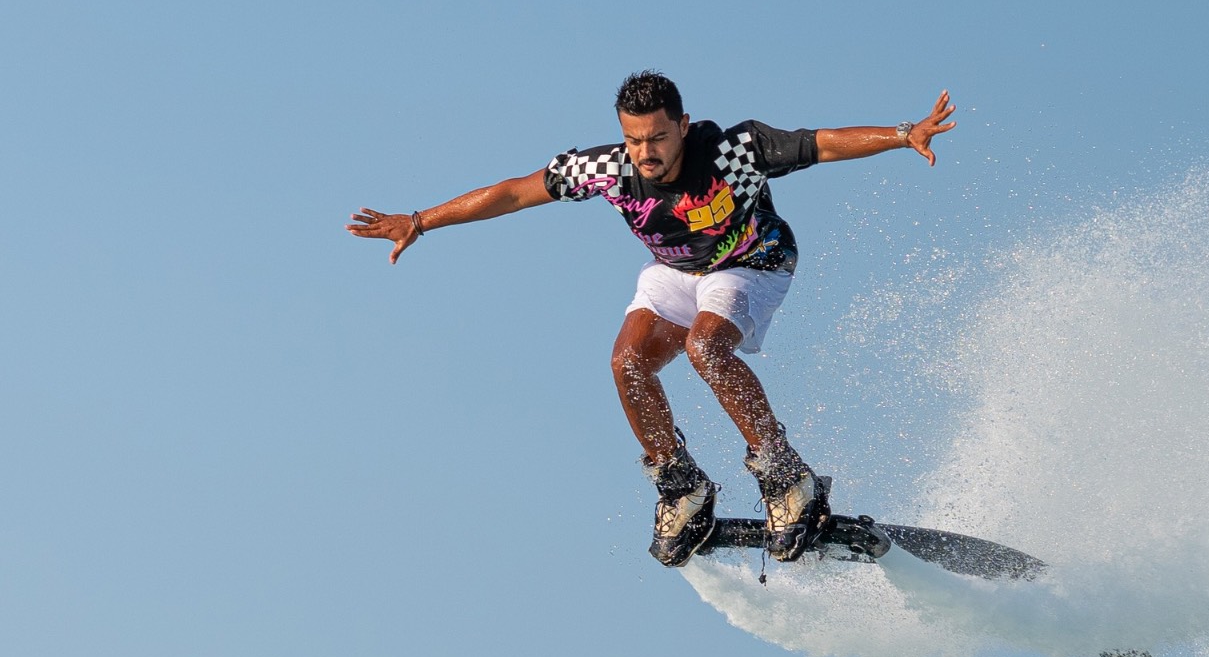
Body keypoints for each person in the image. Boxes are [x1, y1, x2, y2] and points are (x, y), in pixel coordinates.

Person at [348, 71, 955, 567]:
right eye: (635, 140)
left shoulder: (730, 152)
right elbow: (514, 191)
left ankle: (785, 474)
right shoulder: (609, 169)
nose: (646, 153)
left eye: (658, 139)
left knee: (705, 350)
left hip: (752, 262)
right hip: (675, 270)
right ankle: (681, 485)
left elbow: (820, 142)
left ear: (682, 128)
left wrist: (904, 134)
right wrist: (421, 219)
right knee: (627, 362)